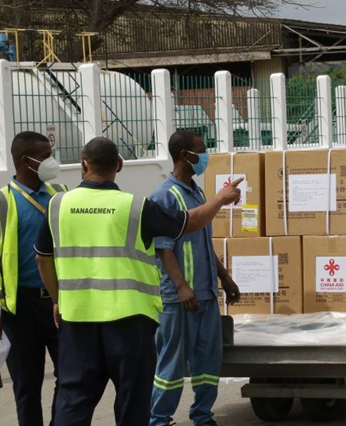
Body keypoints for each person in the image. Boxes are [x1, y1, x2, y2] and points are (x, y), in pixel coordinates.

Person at [34, 137, 243, 426]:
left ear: (83, 164)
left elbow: (42, 258)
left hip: (78, 321)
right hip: (129, 322)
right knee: (133, 401)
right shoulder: (136, 207)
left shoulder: (59, 204)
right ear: (119, 165)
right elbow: (190, 222)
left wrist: (58, 299)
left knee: (74, 399)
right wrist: (220, 198)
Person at [149, 131, 240, 426]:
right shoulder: (164, 196)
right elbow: (164, 249)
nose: (206, 155)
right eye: (201, 151)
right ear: (185, 155)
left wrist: (224, 277)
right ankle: (159, 419)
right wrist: (181, 286)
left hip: (206, 294)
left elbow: (203, 241)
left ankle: (203, 416)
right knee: (172, 366)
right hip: (180, 298)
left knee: (207, 363)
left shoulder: (197, 192)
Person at [0, 131, 67, 426]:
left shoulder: (60, 194)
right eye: (45, 155)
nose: (51, 161)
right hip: (19, 310)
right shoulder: (3, 202)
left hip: (58, 303)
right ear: (26, 161)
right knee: (26, 386)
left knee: (69, 378)